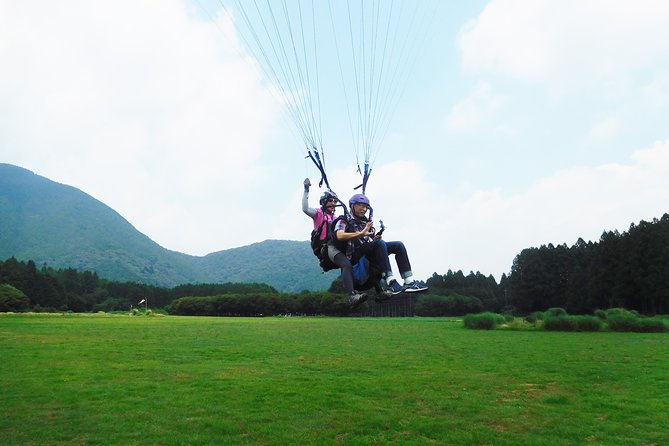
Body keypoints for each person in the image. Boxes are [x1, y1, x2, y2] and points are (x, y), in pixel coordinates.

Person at [333, 193, 428, 295]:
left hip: (367, 253)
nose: (364, 209)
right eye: (361, 205)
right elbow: (339, 235)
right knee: (379, 244)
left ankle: (409, 281)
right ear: (352, 205)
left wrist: (373, 238)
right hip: (355, 257)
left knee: (398, 245)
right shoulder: (344, 220)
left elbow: (370, 242)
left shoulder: (365, 222)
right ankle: (391, 281)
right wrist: (360, 234)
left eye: (366, 207)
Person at [302, 178, 368, 308]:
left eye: (334, 201)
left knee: (363, 255)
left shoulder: (338, 218)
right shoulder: (318, 214)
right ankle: (351, 296)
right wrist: (306, 190)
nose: (333, 203)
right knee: (346, 264)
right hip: (326, 248)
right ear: (324, 202)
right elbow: (305, 209)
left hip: (339, 246)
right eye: (330, 201)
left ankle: (378, 289)